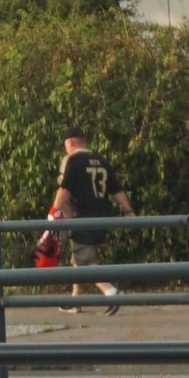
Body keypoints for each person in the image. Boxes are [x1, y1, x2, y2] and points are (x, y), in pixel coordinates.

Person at [45, 130, 133, 309]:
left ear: (69, 143)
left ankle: (111, 293)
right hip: (100, 215)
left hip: (81, 217)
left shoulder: (74, 161)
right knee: (79, 257)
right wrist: (128, 211)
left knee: (85, 260)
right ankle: (76, 300)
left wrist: (54, 211)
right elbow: (116, 189)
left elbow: (65, 189)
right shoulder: (101, 160)